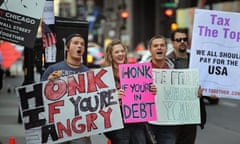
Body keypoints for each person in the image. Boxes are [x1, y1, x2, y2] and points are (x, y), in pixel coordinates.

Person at [41, 33, 91, 144]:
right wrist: (48, 83)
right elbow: (39, 98)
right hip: (57, 128)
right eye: (76, 43)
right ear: (66, 47)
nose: (80, 46)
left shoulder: (88, 73)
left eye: (82, 44)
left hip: (81, 130)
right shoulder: (53, 69)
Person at [103, 39, 149, 144]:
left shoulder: (134, 71)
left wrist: (150, 90)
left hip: (136, 120)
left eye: (122, 51)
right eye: (116, 52)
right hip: (118, 122)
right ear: (110, 55)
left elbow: (142, 93)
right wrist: (113, 97)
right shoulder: (105, 75)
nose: (120, 54)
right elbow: (99, 100)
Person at [167, 29, 207, 144]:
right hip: (172, 114)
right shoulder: (166, 62)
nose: (182, 42)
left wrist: (205, 91)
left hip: (191, 114)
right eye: (179, 40)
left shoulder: (197, 60)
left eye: (185, 39)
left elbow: (205, 79)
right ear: (173, 43)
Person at [146, 34, 176, 144]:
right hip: (148, 123)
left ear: (166, 49)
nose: (159, 48)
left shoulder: (175, 70)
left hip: (167, 122)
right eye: (156, 46)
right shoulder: (141, 71)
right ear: (150, 50)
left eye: (162, 45)